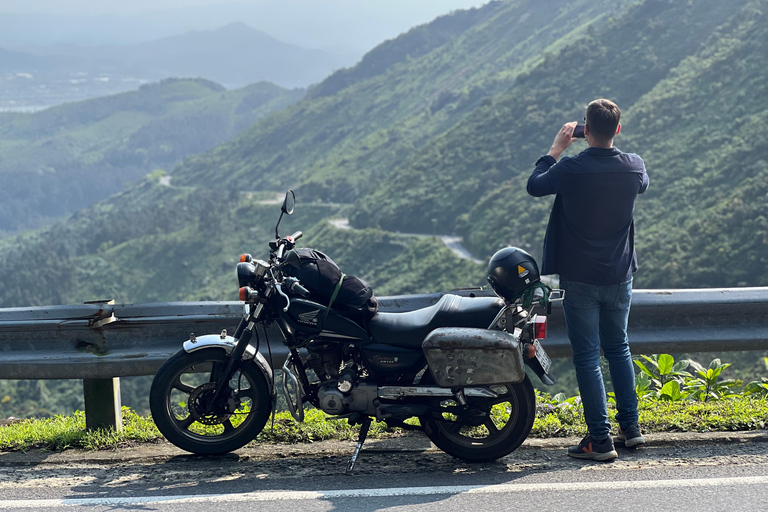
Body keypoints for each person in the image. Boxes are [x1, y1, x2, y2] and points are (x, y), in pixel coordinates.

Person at [526, 99, 649, 461]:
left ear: (586, 130)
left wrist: (555, 150)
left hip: (581, 279)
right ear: (619, 129)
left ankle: (600, 439)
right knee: (619, 349)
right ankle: (631, 428)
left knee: (588, 358)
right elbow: (641, 184)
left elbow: (535, 186)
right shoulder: (634, 166)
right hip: (620, 276)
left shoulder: (572, 168)